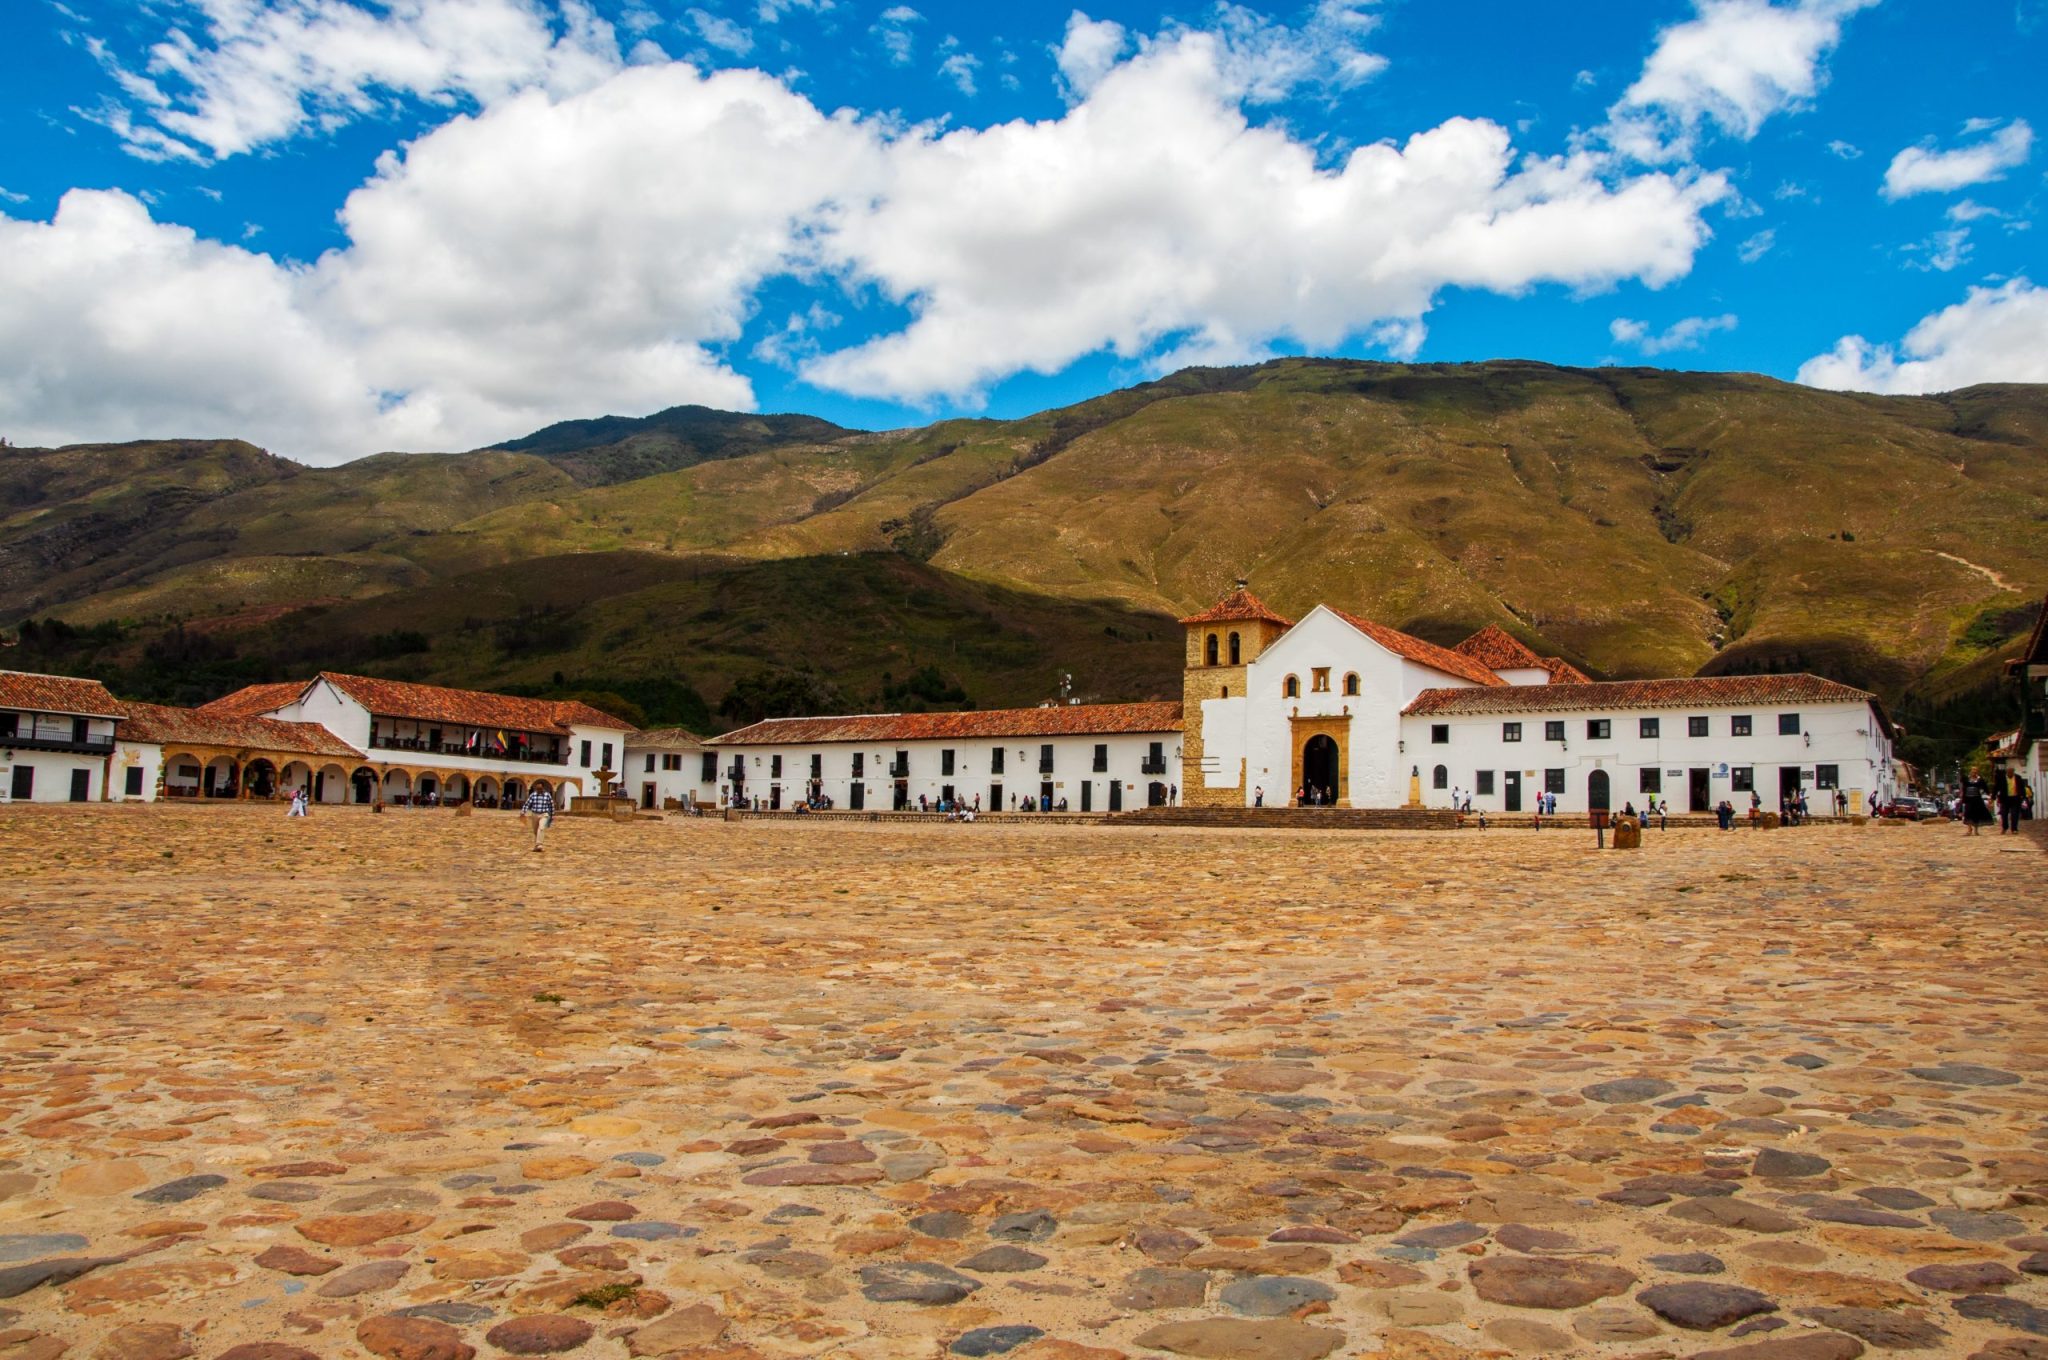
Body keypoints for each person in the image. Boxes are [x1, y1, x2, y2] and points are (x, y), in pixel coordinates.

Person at [523, 784, 555, 852]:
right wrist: (523, 812)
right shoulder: (533, 795)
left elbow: (551, 805)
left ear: (543, 788)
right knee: (535, 831)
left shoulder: (547, 795)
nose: (538, 790)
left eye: (540, 789)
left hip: (544, 814)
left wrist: (552, 816)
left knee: (541, 828)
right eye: (537, 789)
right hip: (534, 814)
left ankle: (539, 844)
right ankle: (537, 846)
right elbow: (527, 804)